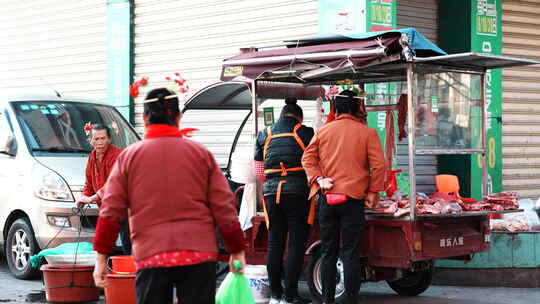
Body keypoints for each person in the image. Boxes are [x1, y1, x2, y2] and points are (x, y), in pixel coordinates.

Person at [92, 88, 246, 304]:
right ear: (178, 117)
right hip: (198, 255)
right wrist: (236, 249)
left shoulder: (129, 157)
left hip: (151, 255)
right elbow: (224, 207)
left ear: (145, 118)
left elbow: (111, 211)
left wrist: (101, 258)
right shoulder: (201, 154)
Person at [302, 90, 385, 304]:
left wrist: (319, 180)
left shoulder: (323, 131)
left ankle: (327, 301)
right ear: (357, 108)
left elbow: (307, 159)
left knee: (328, 251)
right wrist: (374, 191)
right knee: (350, 253)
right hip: (353, 200)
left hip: (327, 200)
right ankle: (350, 301)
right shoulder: (367, 133)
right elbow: (379, 166)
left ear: (336, 109)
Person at [254, 97, 314, 304]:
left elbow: (258, 170)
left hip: (271, 192)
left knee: (275, 243)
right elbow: (315, 161)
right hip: (297, 191)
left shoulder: (265, 133)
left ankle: (275, 295)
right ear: (299, 117)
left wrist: (270, 184)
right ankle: (290, 294)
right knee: (296, 243)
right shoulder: (304, 132)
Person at [76, 124, 131, 254]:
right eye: (96, 139)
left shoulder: (117, 155)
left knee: (127, 245)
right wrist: (83, 198)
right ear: (91, 141)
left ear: (109, 139)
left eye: (103, 138)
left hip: (124, 208)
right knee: (107, 247)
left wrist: (91, 198)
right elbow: (89, 184)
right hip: (108, 209)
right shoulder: (92, 157)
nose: (99, 142)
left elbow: (113, 184)